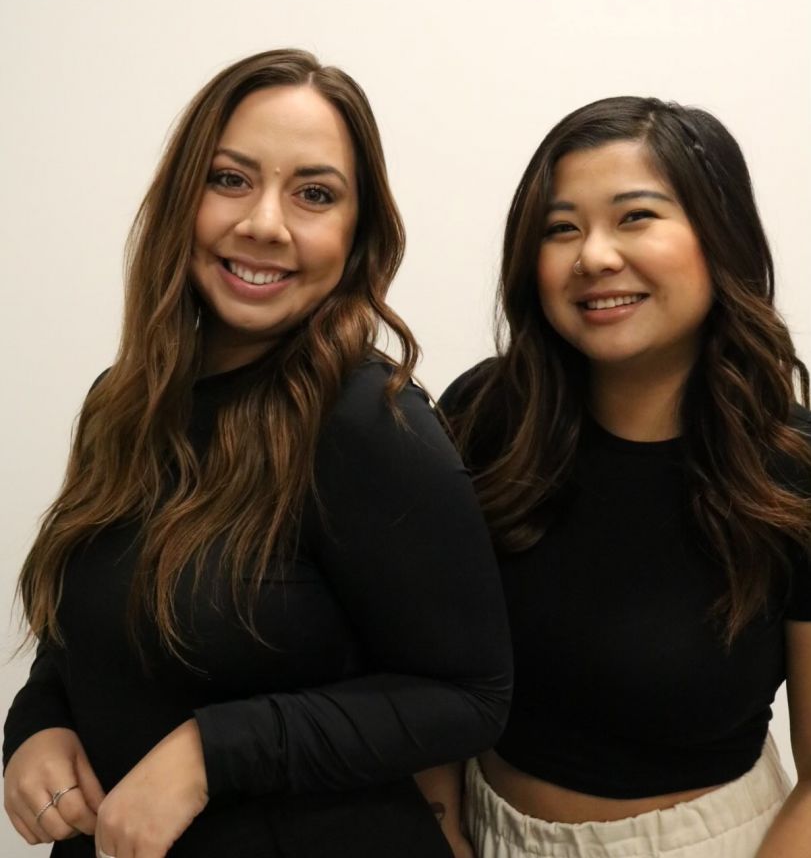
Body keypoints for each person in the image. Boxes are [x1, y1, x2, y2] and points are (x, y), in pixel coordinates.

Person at [2, 49, 511, 858]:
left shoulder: (369, 423)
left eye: (314, 194)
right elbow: (96, 627)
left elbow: (468, 696)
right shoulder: (123, 400)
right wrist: (38, 722)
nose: (264, 223)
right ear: (181, 198)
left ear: (356, 233)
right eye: (230, 179)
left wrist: (209, 753)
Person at [438, 97, 811, 857]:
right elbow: (422, 670)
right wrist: (442, 831)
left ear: (720, 235)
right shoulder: (484, 416)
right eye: (561, 228)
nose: (594, 257)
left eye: (635, 217)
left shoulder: (791, 468)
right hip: (480, 827)